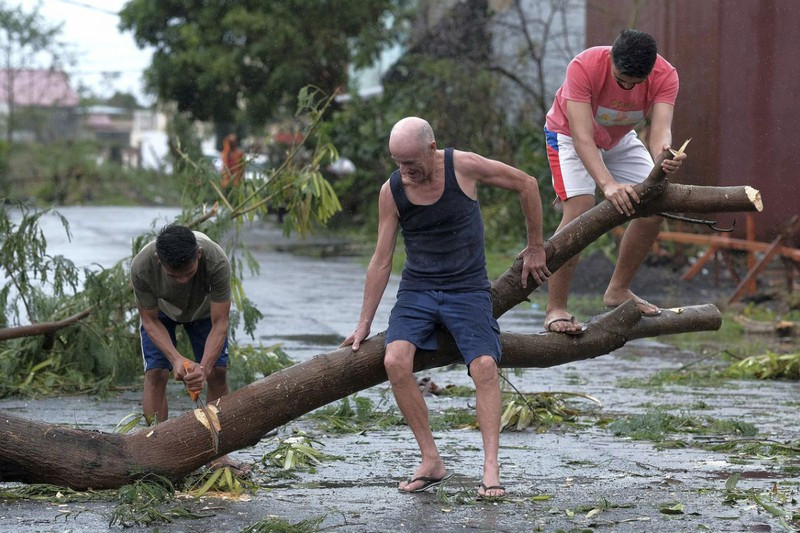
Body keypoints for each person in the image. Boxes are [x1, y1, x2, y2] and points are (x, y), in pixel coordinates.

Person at [341, 117, 550, 499]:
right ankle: (431, 459)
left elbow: (527, 183)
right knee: (395, 361)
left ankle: (490, 468)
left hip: (467, 289)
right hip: (418, 291)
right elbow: (381, 259)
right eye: (398, 163)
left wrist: (536, 245)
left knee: (485, 366)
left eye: (411, 162)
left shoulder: (463, 166)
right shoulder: (392, 191)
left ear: (432, 149)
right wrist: (363, 323)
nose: (405, 171)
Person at [542, 28, 687, 334]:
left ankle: (618, 290)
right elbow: (582, 137)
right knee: (580, 207)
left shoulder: (666, 75)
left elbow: (660, 131)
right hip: (567, 136)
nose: (627, 87)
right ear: (610, 59)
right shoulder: (583, 66)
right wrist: (607, 184)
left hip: (619, 140)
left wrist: (665, 156)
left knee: (653, 206)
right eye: (621, 80)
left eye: (635, 84)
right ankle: (556, 308)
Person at [130, 224, 248, 474]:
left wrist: (202, 370)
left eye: (189, 273)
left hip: (205, 313)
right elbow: (149, 320)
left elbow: (221, 323)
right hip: (161, 314)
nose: (182, 280)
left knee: (218, 371)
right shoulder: (142, 266)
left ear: (199, 255)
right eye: (174, 276)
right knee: (156, 374)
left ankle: (218, 454)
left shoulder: (216, 261)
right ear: (159, 260)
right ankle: (156, 450)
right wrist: (175, 359)